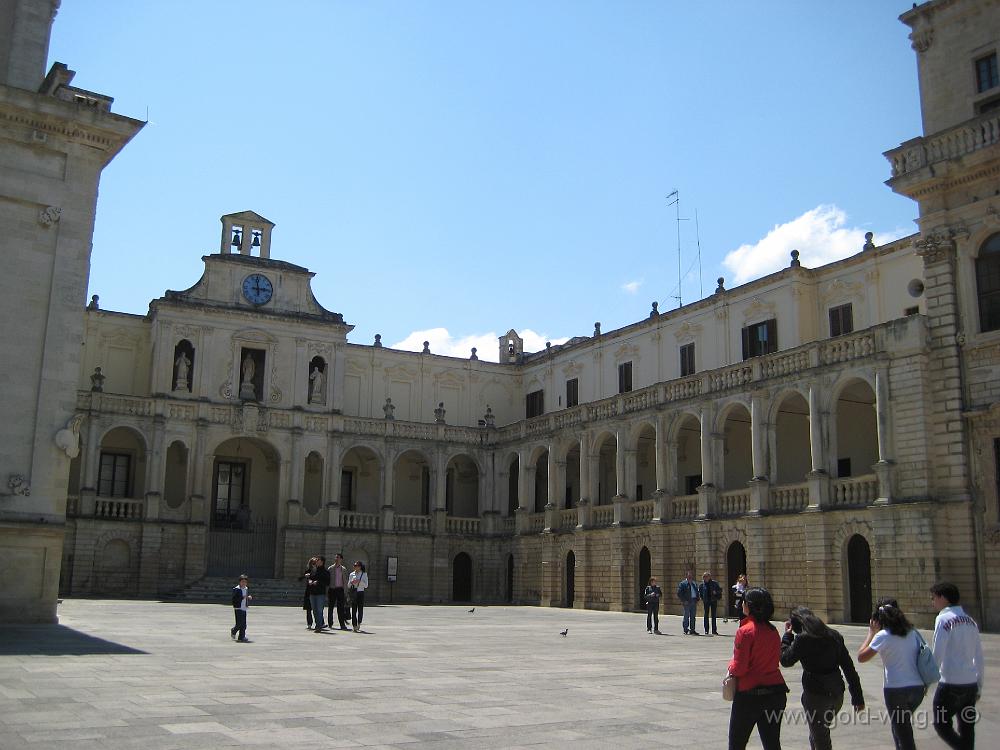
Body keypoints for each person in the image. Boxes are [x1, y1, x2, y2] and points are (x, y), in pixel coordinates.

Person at [780, 606, 864, 750]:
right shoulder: (834, 635)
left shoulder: (803, 638)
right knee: (818, 732)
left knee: (821, 736)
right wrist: (857, 697)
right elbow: (848, 668)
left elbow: (785, 660)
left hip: (816, 694)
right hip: (836, 692)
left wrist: (787, 637)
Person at [858, 597, 926, 750]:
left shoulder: (883, 636)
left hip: (896, 690)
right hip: (917, 689)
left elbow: (861, 657)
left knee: (904, 735)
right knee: (901, 728)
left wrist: (871, 633)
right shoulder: (912, 633)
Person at [727, 587, 788, 750]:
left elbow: (739, 668)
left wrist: (730, 665)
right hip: (776, 693)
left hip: (749, 695)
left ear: (750, 606)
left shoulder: (745, 632)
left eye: (744, 602)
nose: (742, 605)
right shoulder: (772, 630)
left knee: (736, 744)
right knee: (772, 743)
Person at [929, 581, 984, 749]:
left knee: (941, 723)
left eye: (934, 598)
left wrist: (928, 678)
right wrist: (979, 686)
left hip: (950, 682)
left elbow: (937, 652)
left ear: (943, 598)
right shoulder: (970, 621)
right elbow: (979, 656)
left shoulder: (943, 619)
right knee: (967, 727)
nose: (933, 602)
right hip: (970, 683)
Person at [327, 553, 350, 631]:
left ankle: (342, 624)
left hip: (340, 590)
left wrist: (346, 592)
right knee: (330, 607)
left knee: (340, 608)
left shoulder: (343, 569)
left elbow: (346, 581)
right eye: (336, 557)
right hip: (332, 589)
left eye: (338, 558)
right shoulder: (330, 568)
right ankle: (330, 623)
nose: (336, 559)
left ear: (341, 559)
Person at [307, 555, 330, 632]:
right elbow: (310, 578)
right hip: (312, 592)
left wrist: (318, 582)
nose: (316, 561)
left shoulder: (325, 571)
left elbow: (327, 582)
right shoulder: (314, 570)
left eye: (318, 560)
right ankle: (318, 624)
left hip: (320, 593)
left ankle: (319, 626)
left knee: (319, 610)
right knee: (314, 610)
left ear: (322, 562)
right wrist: (310, 581)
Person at [676, 570, 700, 635]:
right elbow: (679, 593)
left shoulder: (694, 583)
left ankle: (692, 630)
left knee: (693, 616)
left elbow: (697, 592)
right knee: (686, 616)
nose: (690, 576)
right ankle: (685, 629)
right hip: (687, 602)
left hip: (694, 601)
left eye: (691, 575)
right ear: (686, 576)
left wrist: (697, 599)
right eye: (689, 575)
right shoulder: (683, 583)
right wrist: (684, 600)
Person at [230, 574, 252, 642]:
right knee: (239, 623)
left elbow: (246, 596)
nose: (244, 583)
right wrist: (242, 597)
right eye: (242, 582)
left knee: (244, 624)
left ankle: (241, 637)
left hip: (244, 608)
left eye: (245, 582)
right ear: (239, 582)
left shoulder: (246, 588)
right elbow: (234, 599)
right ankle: (233, 630)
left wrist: (248, 597)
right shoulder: (236, 589)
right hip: (238, 608)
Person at [348, 560, 369, 632]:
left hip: (360, 592)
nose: (355, 567)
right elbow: (348, 585)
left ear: (360, 567)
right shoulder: (351, 574)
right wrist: (352, 582)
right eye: (354, 565)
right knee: (354, 609)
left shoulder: (364, 574)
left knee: (360, 609)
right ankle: (354, 625)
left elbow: (366, 585)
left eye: (356, 565)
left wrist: (359, 581)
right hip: (354, 592)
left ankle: (359, 622)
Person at [298, 557, 317, 629]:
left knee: (317, 608)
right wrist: (304, 576)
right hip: (309, 591)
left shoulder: (319, 571)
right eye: (313, 563)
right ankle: (309, 623)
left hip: (316, 591)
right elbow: (299, 579)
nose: (314, 564)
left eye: (315, 563)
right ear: (310, 564)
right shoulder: (308, 571)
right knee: (308, 609)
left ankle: (319, 623)